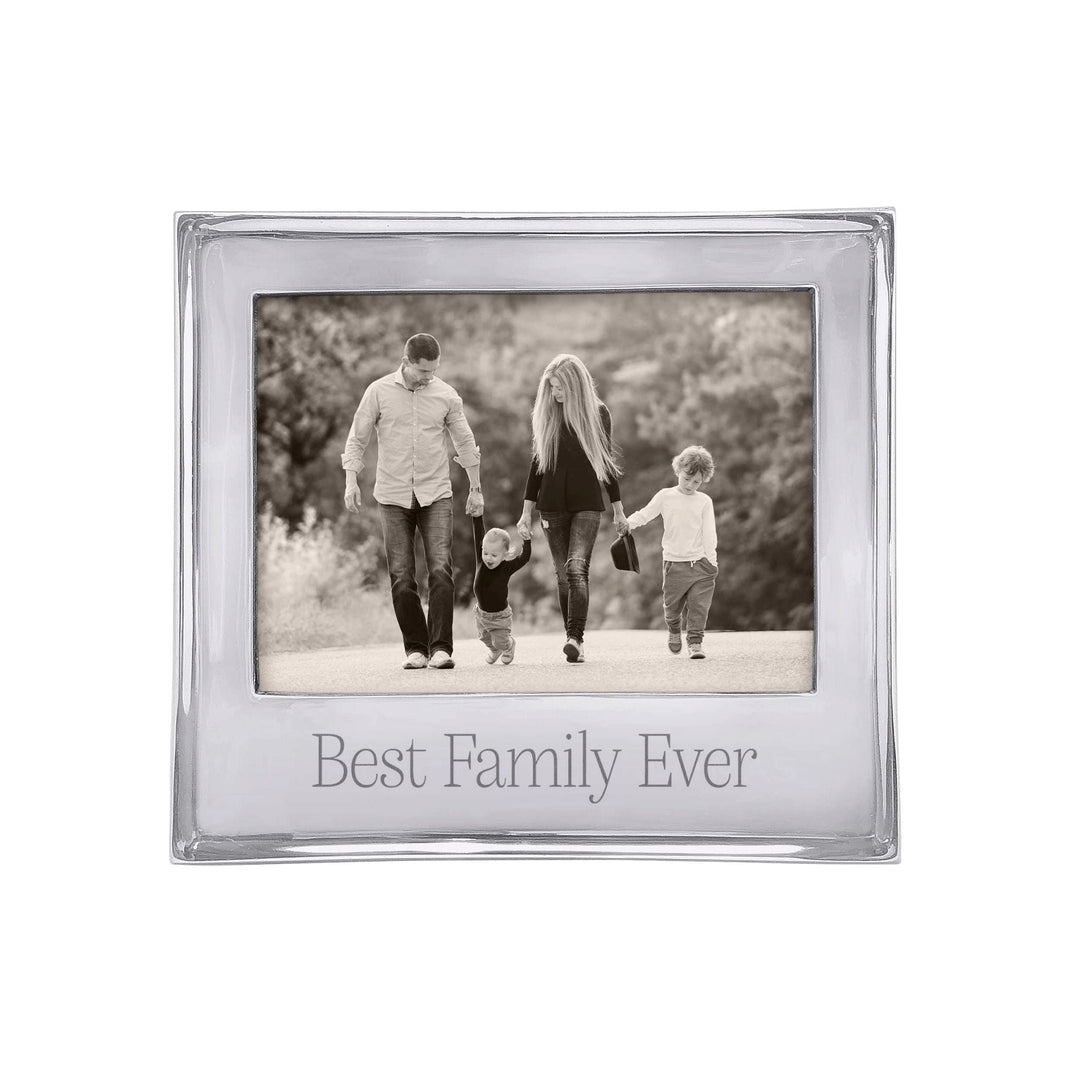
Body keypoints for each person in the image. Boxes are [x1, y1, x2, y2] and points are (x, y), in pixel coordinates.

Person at [341, 333, 483, 670]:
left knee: (441, 570)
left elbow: (465, 441)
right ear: (406, 363)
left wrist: (476, 488)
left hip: (436, 493)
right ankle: (416, 649)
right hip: (392, 496)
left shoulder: (446, 395)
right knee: (402, 575)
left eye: (434, 370)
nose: (429, 377)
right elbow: (357, 438)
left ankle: (441, 648)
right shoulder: (378, 392)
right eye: (423, 371)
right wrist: (351, 481)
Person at [516, 354, 628, 663]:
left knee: (576, 568)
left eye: (560, 387)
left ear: (576, 385)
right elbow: (537, 466)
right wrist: (525, 512)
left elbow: (606, 464)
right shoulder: (548, 413)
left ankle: (575, 638)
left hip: (587, 504)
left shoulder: (598, 414)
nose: (555, 393)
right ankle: (572, 637)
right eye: (551, 387)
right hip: (551, 506)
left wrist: (619, 510)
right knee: (563, 576)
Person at [625, 445, 718, 660]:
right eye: (687, 479)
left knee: (699, 607)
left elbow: (709, 533)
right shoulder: (665, 496)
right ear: (678, 471)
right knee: (672, 608)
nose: (690, 485)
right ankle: (674, 628)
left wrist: (712, 561)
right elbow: (646, 514)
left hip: (701, 565)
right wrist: (628, 524)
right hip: (674, 564)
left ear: (703, 480)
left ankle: (695, 643)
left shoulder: (704, 501)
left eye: (697, 482)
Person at [469, 511, 532, 665]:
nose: (488, 558)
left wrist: (527, 541)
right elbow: (478, 533)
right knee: (484, 637)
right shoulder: (481, 561)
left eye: (494, 555)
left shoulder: (506, 568)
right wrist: (477, 516)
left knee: (500, 641)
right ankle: (495, 650)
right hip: (481, 613)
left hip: (499, 617)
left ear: (505, 554)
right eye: (485, 553)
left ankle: (508, 645)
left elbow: (524, 558)